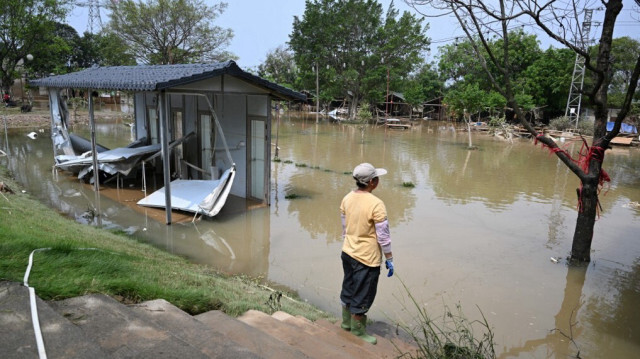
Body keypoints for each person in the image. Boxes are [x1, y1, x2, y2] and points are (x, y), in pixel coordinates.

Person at [339, 162, 394, 345]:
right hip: (367, 259)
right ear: (372, 182)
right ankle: (358, 332)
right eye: (376, 178)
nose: (378, 180)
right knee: (364, 293)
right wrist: (389, 258)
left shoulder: (346, 198)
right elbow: (383, 237)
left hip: (347, 252)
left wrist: (349, 243)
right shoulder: (377, 204)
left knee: (349, 286)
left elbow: (345, 228)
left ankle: (346, 324)